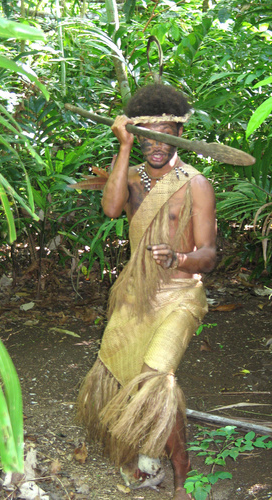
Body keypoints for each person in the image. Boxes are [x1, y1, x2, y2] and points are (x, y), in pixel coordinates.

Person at [77, 83, 217, 500]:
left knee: (157, 377)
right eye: (147, 134)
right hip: (137, 296)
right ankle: (139, 450)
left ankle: (181, 479)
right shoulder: (135, 178)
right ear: (137, 136)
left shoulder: (195, 184)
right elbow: (110, 207)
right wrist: (122, 149)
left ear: (178, 132)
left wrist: (179, 259)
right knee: (119, 369)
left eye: (166, 133)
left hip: (179, 296)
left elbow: (208, 255)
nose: (157, 144)